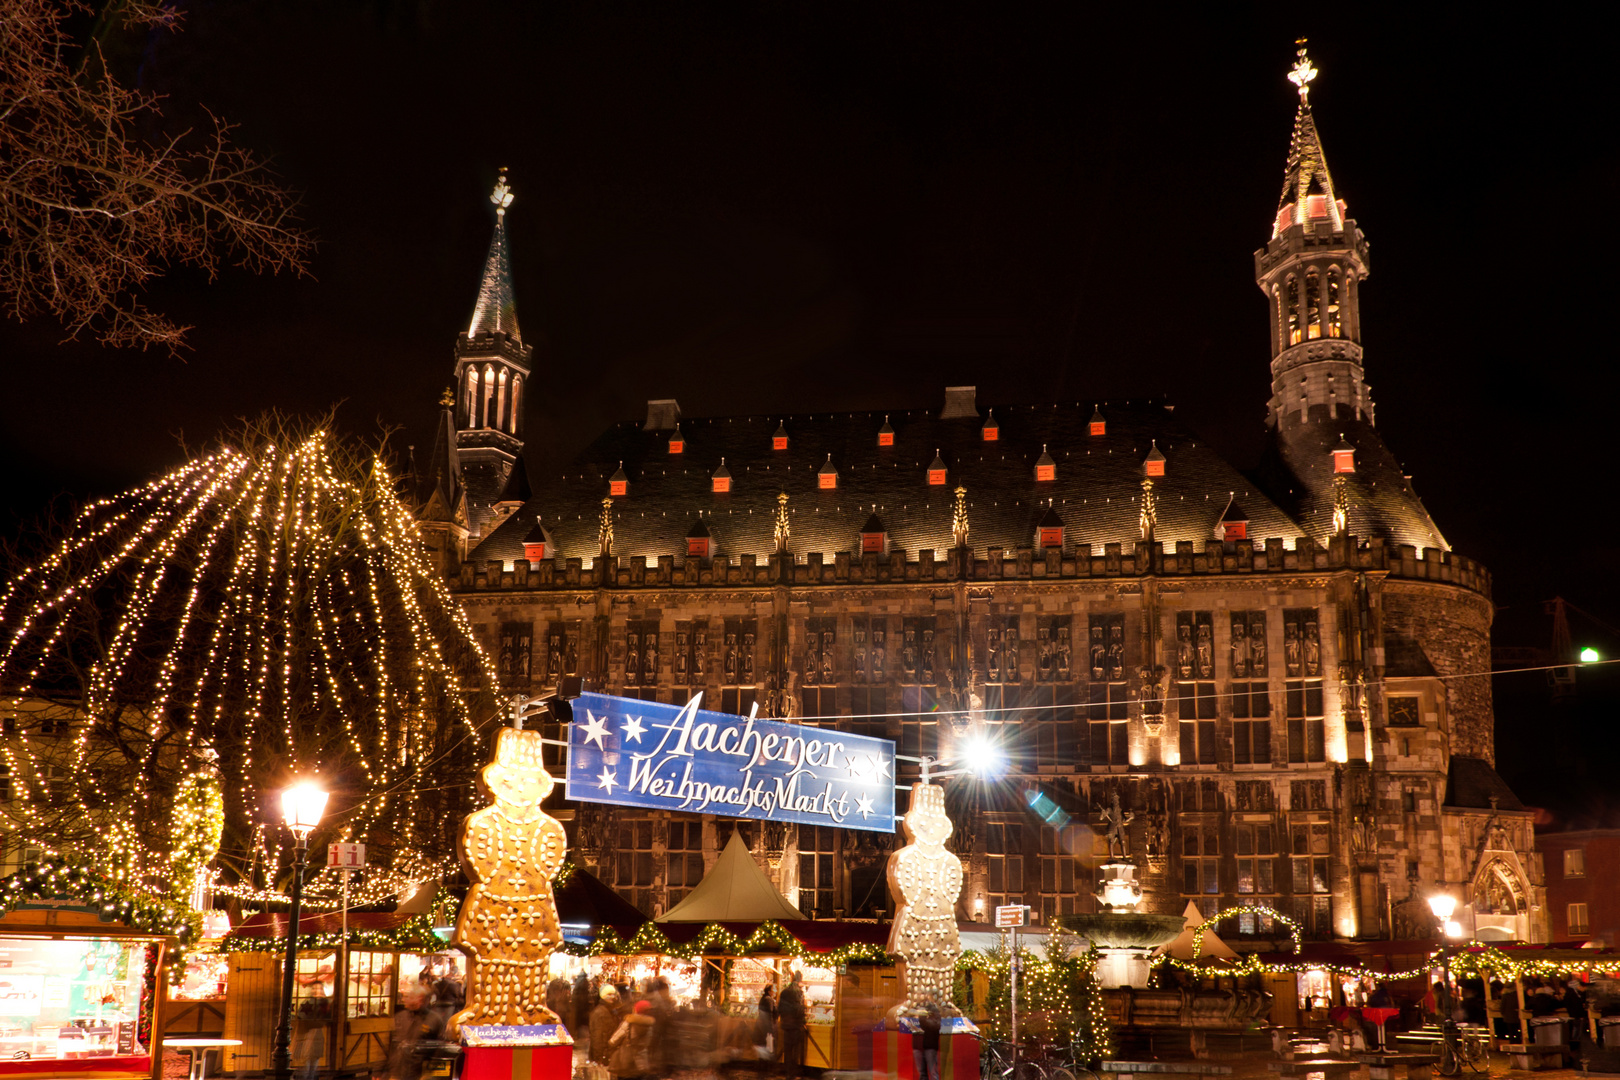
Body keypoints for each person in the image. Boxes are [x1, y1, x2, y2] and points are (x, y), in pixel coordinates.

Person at [388, 988, 446, 1080]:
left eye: (409, 997)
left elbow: (440, 1048)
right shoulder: (400, 1016)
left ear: (421, 999)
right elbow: (389, 1044)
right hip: (397, 1072)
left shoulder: (434, 1020)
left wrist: (430, 1073)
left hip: (420, 1073)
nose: (404, 1000)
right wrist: (378, 1070)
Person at [293, 983, 331, 1080]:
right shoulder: (308, 1003)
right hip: (306, 1035)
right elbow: (303, 1019)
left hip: (316, 1035)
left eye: (319, 988)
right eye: (314, 988)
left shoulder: (325, 1003)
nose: (317, 991)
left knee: (313, 1063)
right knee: (305, 1063)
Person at [609, 999, 656, 1079]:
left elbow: (614, 1040)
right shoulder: (650, 1026)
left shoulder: (628, 1023)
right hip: (642, 1063)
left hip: (626, 1062)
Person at [777, 971, 807, 1072]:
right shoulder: (799, 993)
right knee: (795, 1050)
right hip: (796, 1025)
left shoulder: (784, 992)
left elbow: (779, 1009)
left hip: (786, 1025)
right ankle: (793, 1071)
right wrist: (803, 1022)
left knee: (787, 1050)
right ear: (800, 979)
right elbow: (800, 1009)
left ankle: (788, 1071)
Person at [590, 985, 623, 1067]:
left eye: (613, 994)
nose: (612, 997)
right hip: (603, 1054)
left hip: (609, 1053)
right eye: (609, 994)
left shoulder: (612, 1010)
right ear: (603, 996)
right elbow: (596, 1036)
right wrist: (599, 1057)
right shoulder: (599, 1013)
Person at [913, 1004, 942, 1080]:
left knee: (933, 1072)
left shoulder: (935, 1022)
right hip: (925, 1047)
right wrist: (922, 1015)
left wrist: (922, 1015)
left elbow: (928, 1024)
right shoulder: (931, 1020)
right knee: (923, 1072)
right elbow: (923, 1025)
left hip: (931, 1048)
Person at [754, 986, 777, 1061]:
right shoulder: (769, 1000)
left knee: (762, 1045)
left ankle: (762, 1064)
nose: (775, 992)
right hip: (766, 1026)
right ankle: (766, 1064)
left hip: (761, 1025)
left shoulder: (763, 999)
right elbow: (769, 1014)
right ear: (769, 991)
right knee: (768, 1046)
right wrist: (771, 1028)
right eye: (774, 990)